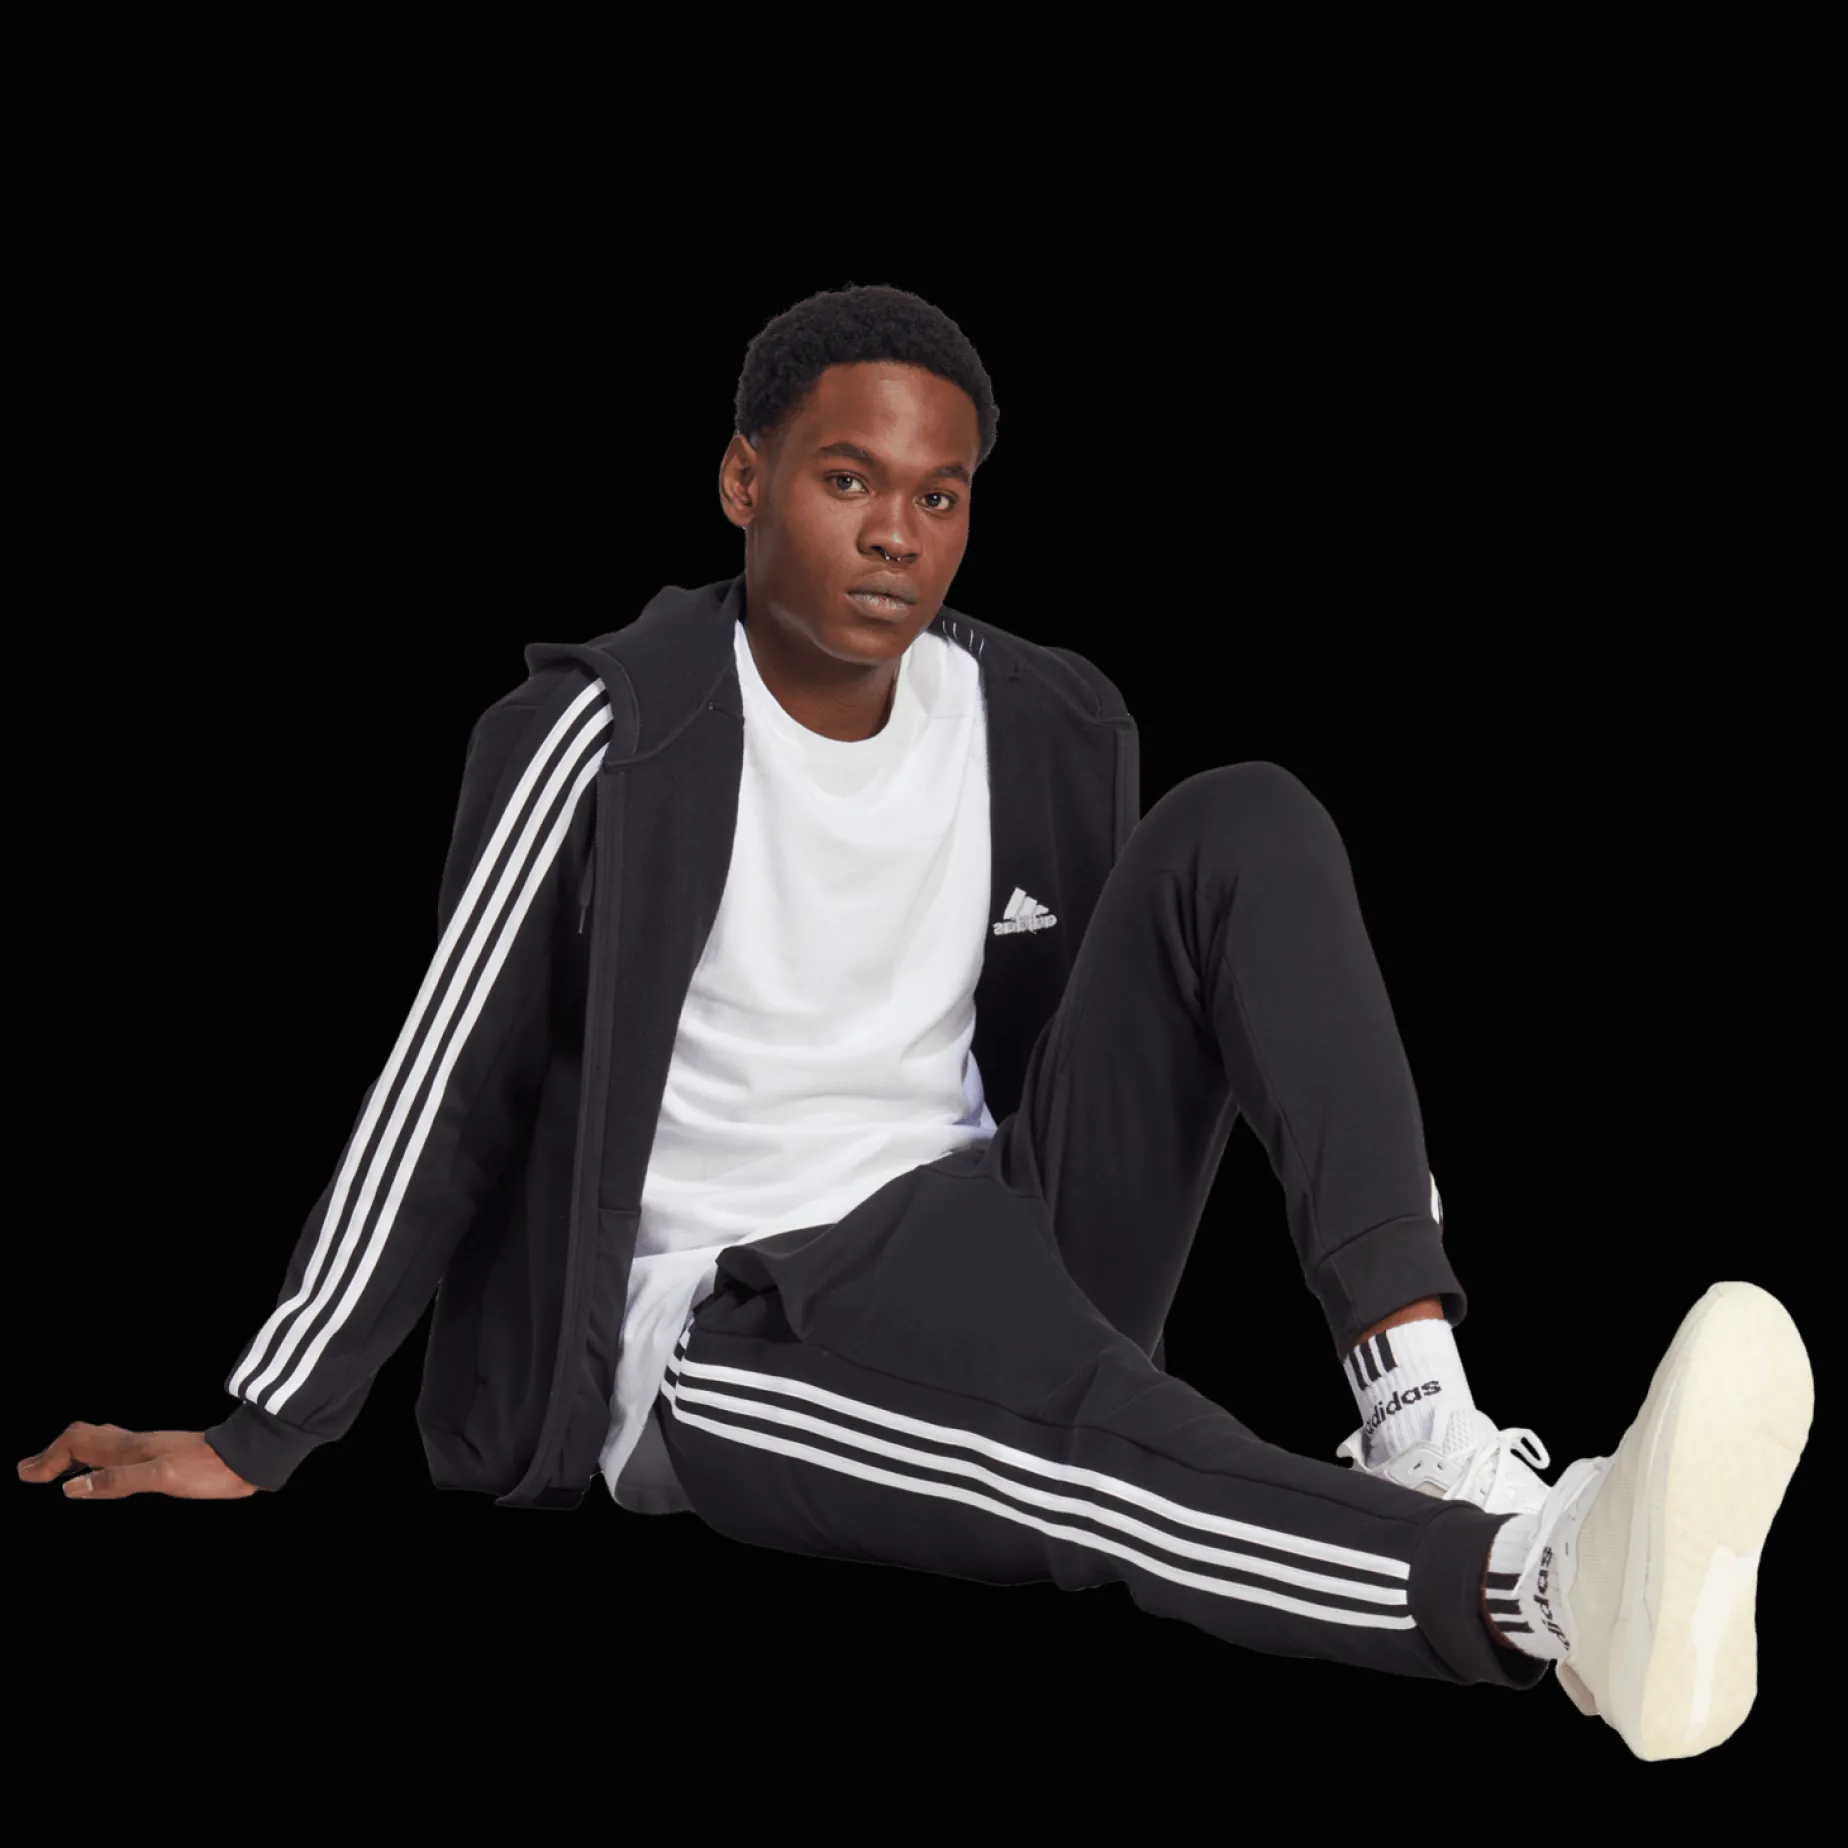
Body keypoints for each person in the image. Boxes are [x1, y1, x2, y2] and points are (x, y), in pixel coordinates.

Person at [16, 283, 1811, 1762]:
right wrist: (267, 1423)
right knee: (1093, 1470)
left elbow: (1101, 1027)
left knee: (1248, 817)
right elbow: (446, 1075)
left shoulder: (1040, 720)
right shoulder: (614, 736)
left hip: (987, 1228)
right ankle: (1541, 1590)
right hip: (739, 1321)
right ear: (743, 480)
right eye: (847, 479)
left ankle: (1421, 1410)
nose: (896, 534)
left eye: (940, 496)